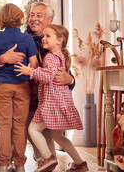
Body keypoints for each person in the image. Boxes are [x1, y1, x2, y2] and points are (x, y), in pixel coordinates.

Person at [0, 1, 75, 171]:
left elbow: (64, 79)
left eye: (39, 15)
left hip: (38, 110)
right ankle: (15, 160)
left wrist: (70, 80)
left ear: (50, 20)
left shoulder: (53, 45)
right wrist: (2, 59)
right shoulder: (22, 39)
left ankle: (17, 160)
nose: (34, 18)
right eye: (32, 14)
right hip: (11, 105)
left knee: (47, 162)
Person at [15, 24, 88, 172]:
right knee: (59, 136)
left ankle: (48, 157)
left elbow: (48, 76)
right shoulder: (59, 56)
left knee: (33, 129)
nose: (44, 39)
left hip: (51, 102)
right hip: (60, 101)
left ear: (59, 40)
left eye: (48, 36)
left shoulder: (51, 57)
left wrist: (30, 71)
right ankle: (80, 163)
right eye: (44, 36)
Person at [0, 3, 39, 172]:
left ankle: (3, 163)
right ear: (20, 19)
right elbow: (34, 64)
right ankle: (19, 164)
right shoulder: (27, 39)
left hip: (2, 87)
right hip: (22, 86)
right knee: (19, 125)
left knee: (4, 125)